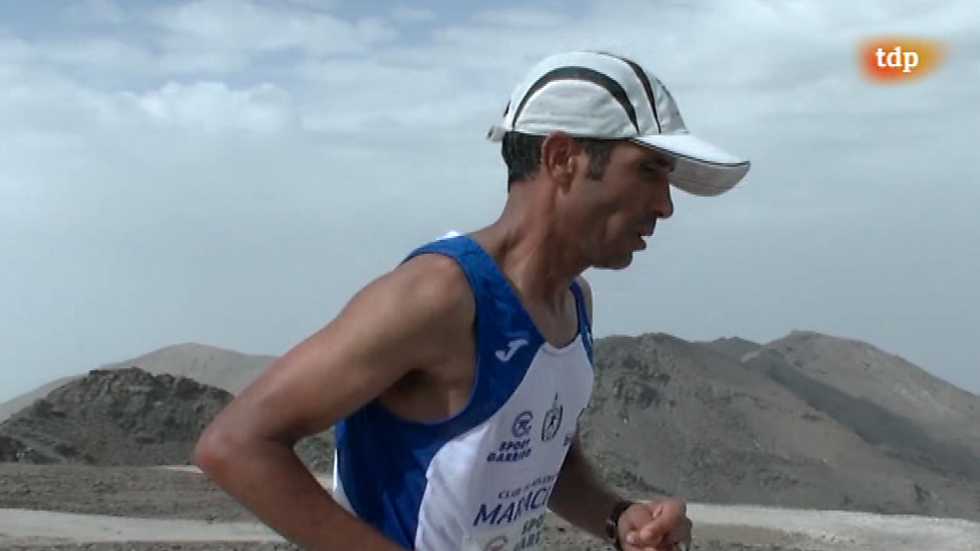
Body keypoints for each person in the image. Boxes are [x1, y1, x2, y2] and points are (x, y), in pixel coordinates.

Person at [194, 50, 750, 551]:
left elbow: (541, 460)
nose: (665, 206)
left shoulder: (574, 303)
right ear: (562, 158)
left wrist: (619, 518)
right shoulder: (440, 296)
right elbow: (236, 445)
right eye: (649, 170)